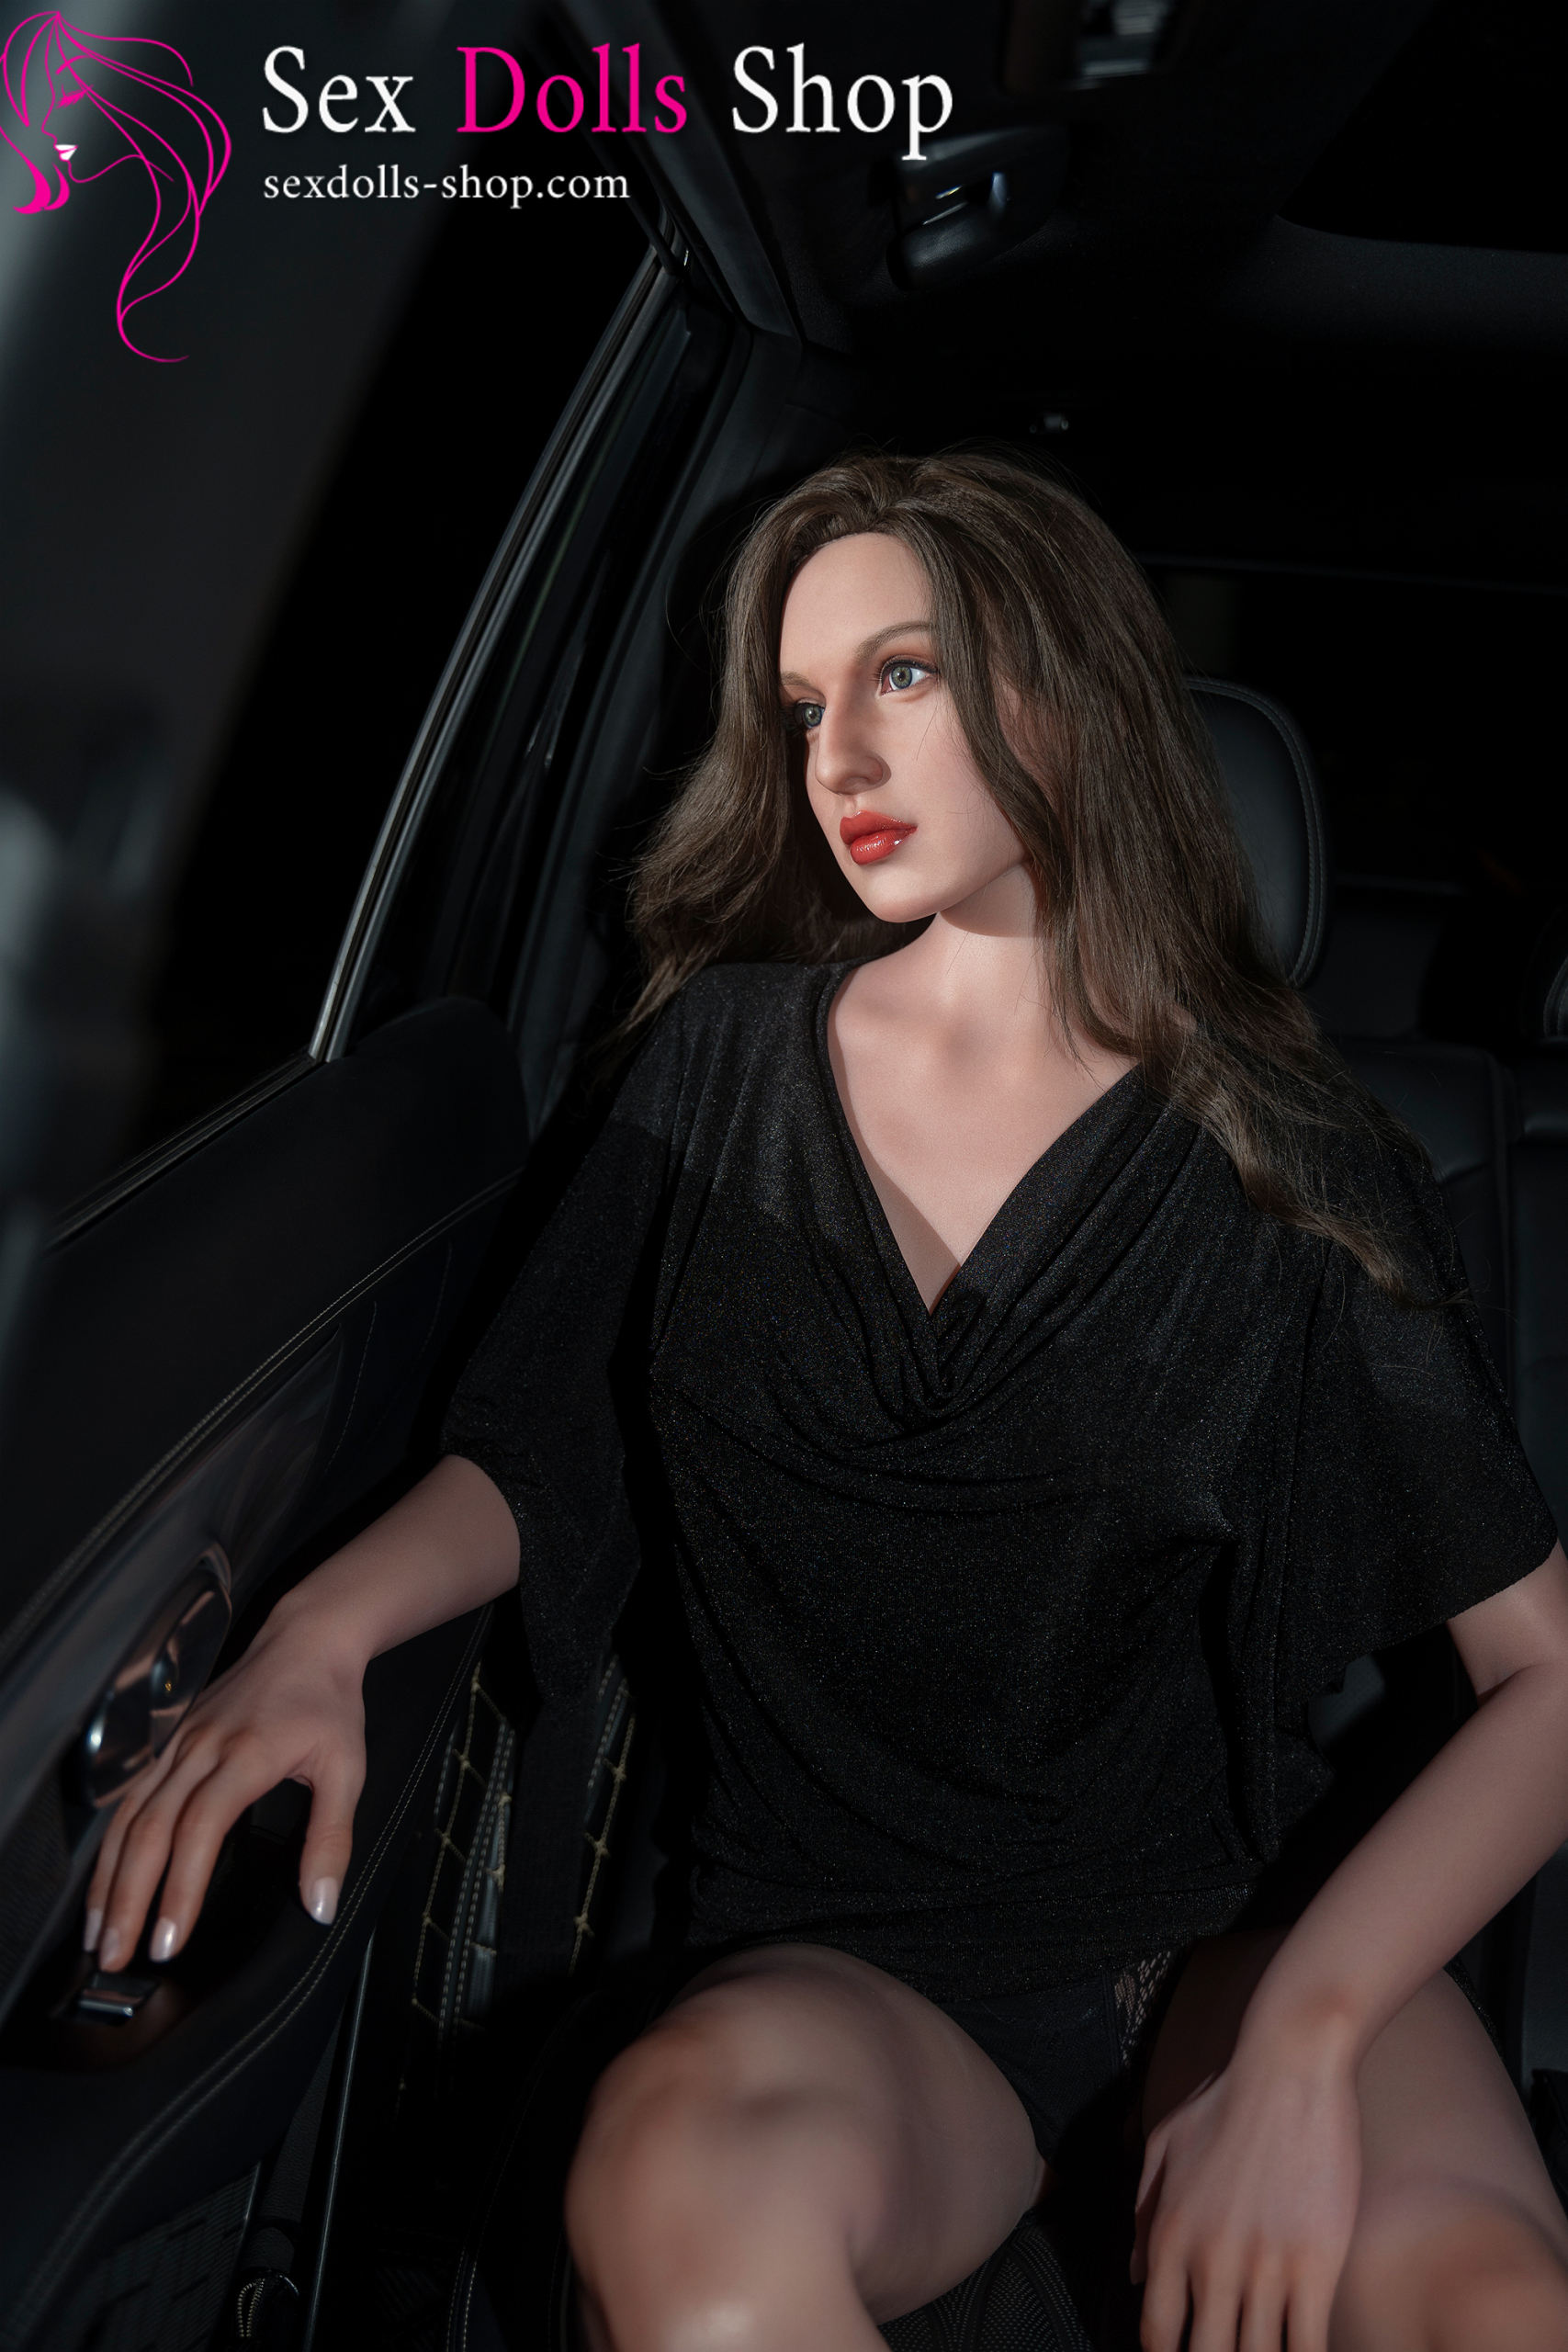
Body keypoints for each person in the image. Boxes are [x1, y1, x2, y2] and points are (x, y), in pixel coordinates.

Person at [85, 454, 1568, 2351]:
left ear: (1063, 691)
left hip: (1209, 1939)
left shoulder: (1290, 1162)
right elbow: (538, 1450)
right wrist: (320, 1627)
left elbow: (1546, 1678)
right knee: (684, 2204)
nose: (835, 757)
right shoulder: (715, 1074)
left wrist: (1308, 2027)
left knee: (1495, 2307)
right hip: (842, 1974)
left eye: (901, 674)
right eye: (799, 707)